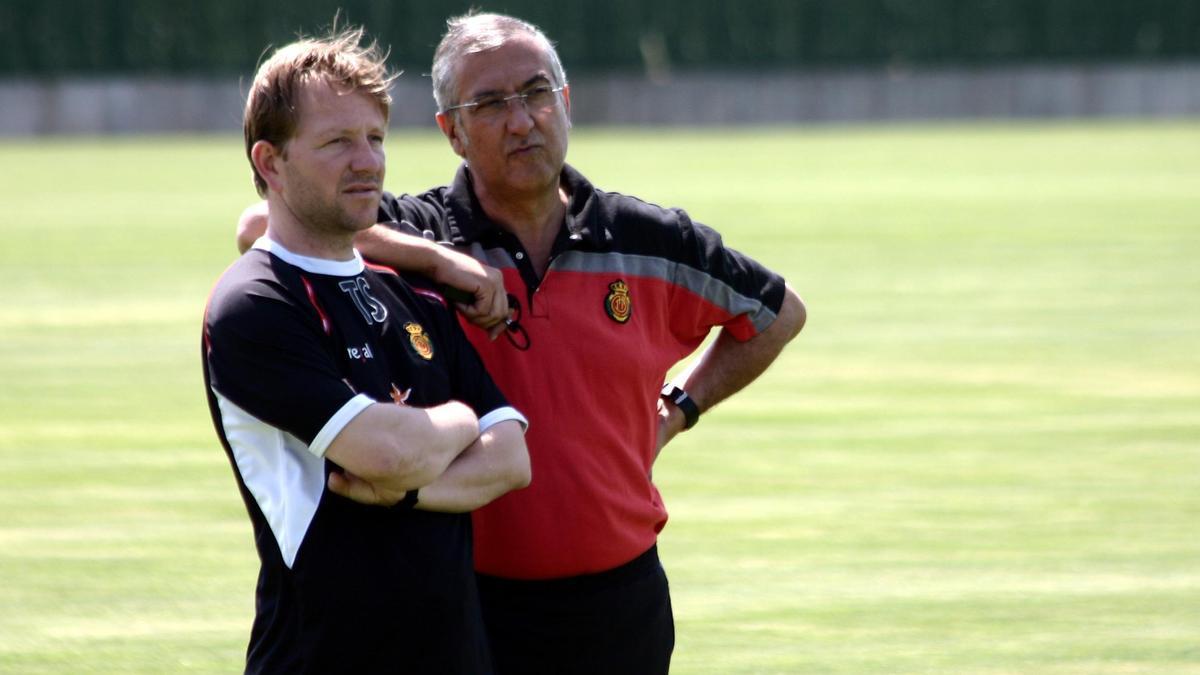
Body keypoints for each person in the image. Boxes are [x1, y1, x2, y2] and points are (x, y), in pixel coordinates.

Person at [237, 12, 805, 674]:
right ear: (451, 131)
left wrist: (678, 407)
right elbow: (262, 226)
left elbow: (776, 313)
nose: (521, 119)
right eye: (490, 104)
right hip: (468, 602)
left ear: (564, 103)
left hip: (621, 597)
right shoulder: (421, 232)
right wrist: (441, 263)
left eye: (537, 93)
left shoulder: (646, 237)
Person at [204, 26, 531, 674]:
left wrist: (408, 492)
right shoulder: (255, 303)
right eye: (337, 142)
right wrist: (460, 420)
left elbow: (513, 458)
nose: (369, 162)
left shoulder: (413, 292)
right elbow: (385, 451)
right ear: (270, 162)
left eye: (375, 138)